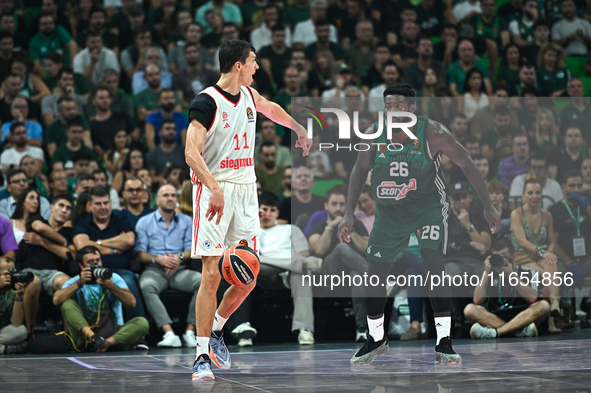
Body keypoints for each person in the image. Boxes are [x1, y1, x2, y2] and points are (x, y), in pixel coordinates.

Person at [337, 83, 501, 365]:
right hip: (390, 210)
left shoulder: (433, 132)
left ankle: (444, 341)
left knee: (433, 264)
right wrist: (348, 212)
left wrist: (488, 204)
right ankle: (376, 338)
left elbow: (466, 163)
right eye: (388, 106)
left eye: (399, 106)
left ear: (412, 109)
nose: (392, 111)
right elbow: (359, 169)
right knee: (374, 275)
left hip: (429, 207)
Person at [185, 39, 311, 381]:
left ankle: (216, 333)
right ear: (238, 64)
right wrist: (213, 187)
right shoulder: (206, 102)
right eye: (253, 61)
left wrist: (298, 128)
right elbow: (191, 153)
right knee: (211, 272)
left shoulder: (251, 96)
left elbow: (272, 109)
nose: (258, 67)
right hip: (213, 191)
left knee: (248, 276)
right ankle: (200, 357)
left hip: (245, 193)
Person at [136, 184, 201, 348]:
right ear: (157, 200)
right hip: (155, 269)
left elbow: (192, 249)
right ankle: (169, 333)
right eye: (165, 195)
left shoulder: (187, 221)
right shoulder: (144, 222)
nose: (170, 198)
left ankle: (189, 331)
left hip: (180, 270)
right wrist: (158, 259)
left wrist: (178, 258)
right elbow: (139, 253)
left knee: (202, 282)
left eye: (173, 195)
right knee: (146, 285)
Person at [53, 246, 149, 352]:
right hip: (85, 336)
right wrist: (79, 284)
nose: (96, 264)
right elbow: (56, 300)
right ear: (81, 265)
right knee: (67, 303)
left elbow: (131, 302)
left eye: (98, 260)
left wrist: (110, 286)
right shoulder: (76, 281)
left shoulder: (113, 278)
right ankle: (95, 339)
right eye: (90, 262)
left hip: (112, 332)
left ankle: (105, 344)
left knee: (142, 323)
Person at [258, 192, 319, 345]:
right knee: (252, 261)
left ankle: (304, 329)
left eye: (272, 210)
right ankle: (295, 264)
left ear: (277, 213)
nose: (268, 214)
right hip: (264, 273)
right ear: (257, 211)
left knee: (301, 272)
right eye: (264, 209)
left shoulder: (290, 229)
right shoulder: (251, 231)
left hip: (290, 273)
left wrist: (294, 261)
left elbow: (304, 252)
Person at [464, 238, 550, 339]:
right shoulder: (490, 274)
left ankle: (498, 332)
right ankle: (517, 331)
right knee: (469, 309)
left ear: (514, 257)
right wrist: (486, 273)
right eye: (497, 257)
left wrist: (512, 276)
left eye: (503, 256)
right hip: (495, 315)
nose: (500, 260)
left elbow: (532, 298)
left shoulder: (528, 271)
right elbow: (477, 300)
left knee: (544, 306)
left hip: (522, 314)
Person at [509, 178, 562, 333]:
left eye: (538, 192)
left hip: (542, 257)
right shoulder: (516, 214)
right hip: (523, 257)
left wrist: (548, 253)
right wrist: (542, 252)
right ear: (523, 196)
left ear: (542, 195)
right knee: (550, 275)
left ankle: (554, 308)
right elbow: (522, 241)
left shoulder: (547, 215)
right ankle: (552, 317)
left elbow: (552, 242)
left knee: (551, 265)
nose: (534, 196)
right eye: (530, 193)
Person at [548, 170, 591, 290]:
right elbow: (553, 243)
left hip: (586, 257)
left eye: (579, 186)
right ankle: (563, 305)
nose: (576, 190)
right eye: (572, 186)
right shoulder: (554, 210)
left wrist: (586, 206)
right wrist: (570, 263)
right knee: (559, 273)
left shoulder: (586, 207)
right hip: (564, 259)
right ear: (563, 187)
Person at [0, 257, 30, 354]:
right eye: (6, 273)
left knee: (21, 331)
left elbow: (16, 323)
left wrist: (18, 295)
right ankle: (5, 349)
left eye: (13, 272)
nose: (10, 276)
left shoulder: (11, 293)